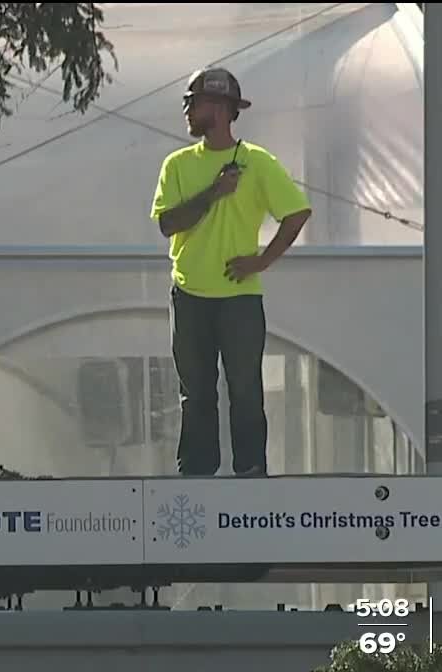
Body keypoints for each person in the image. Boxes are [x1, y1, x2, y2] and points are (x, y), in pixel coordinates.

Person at [150, 67, 312, 478]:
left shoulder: (258, 162)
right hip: (188, 295)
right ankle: (196, 477)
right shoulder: (177, 165)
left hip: (239, 298)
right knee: (197, 393)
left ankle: (251, 473)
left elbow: (296, 214)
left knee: (245, 390)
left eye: (194, 103)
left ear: (220, 110)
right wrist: (214, 193)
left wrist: (261, 261)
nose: (187, 111)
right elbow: (168, 223)